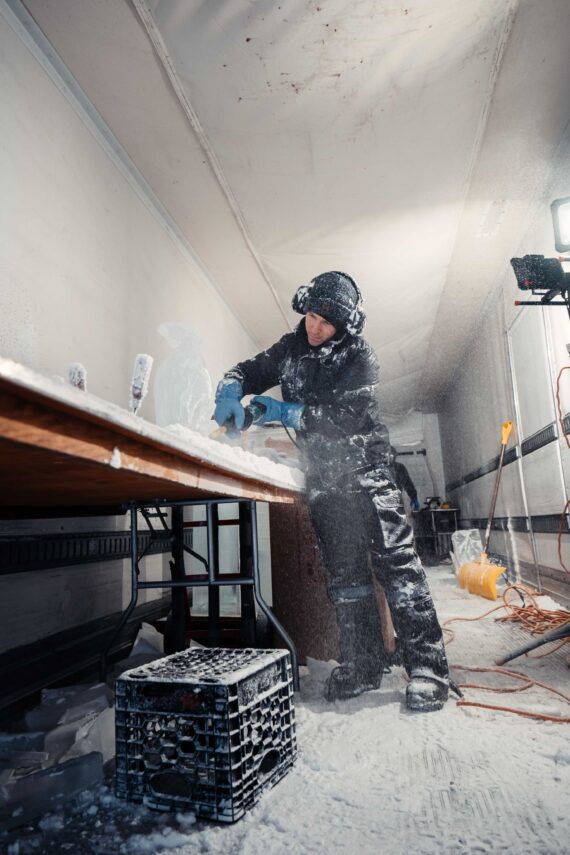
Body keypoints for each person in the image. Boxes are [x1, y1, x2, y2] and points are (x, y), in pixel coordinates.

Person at [213, 271, 449, 711]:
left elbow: (347, 418)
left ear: (344, 325)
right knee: (346, 581)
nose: (315, 327)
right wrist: (230, 387)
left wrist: (285, 411)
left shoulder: (361, 357)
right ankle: (363, 664)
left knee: (399, 572)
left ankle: (428, 669)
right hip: (325, 482)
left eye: (326, 322)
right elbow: (247, 370)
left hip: (369, 476)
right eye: (311, 316)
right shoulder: (290, 349)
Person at [388, 446, 421, 513]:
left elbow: (407, 483)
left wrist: (414, 497)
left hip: (395, 502)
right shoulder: (373, 469)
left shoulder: (399, 467)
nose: (390, 457)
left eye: (392, 455)